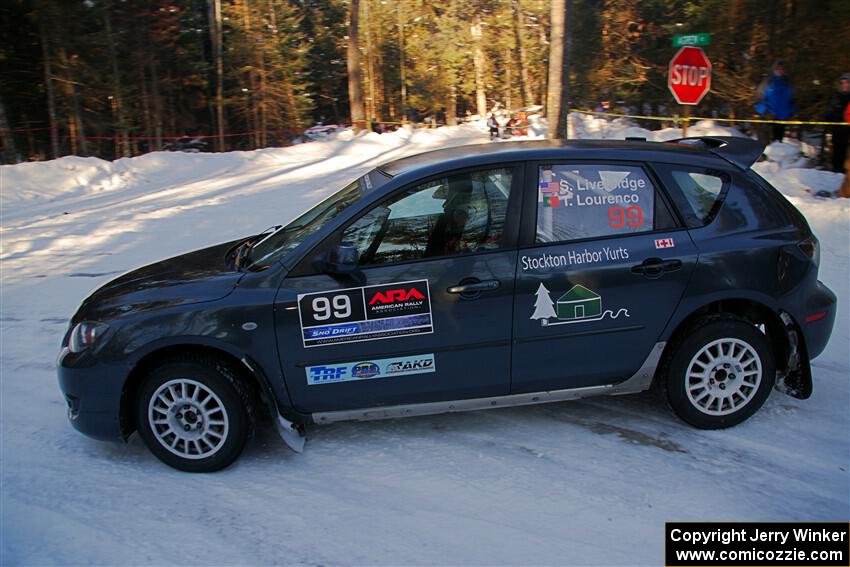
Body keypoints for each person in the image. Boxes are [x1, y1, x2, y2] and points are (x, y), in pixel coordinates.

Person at [755, 61, 796, 143]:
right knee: (765, 146)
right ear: (774, 70)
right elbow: (757, 99)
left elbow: (793, 101)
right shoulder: (767, 82)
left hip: (782, 120)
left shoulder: (788, 83)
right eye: (778, 69)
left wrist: (791, 112)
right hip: (768, 119)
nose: (780, 71)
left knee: (777, 146)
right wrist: (765, 112)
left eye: (782, 69)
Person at [826, 73, 850, 173]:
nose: (845, 85)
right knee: (838, 151)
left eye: (847, 83)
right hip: (838, 130)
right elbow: (829, 113)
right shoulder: (836, 97)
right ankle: (836, 171)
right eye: (842, 83)